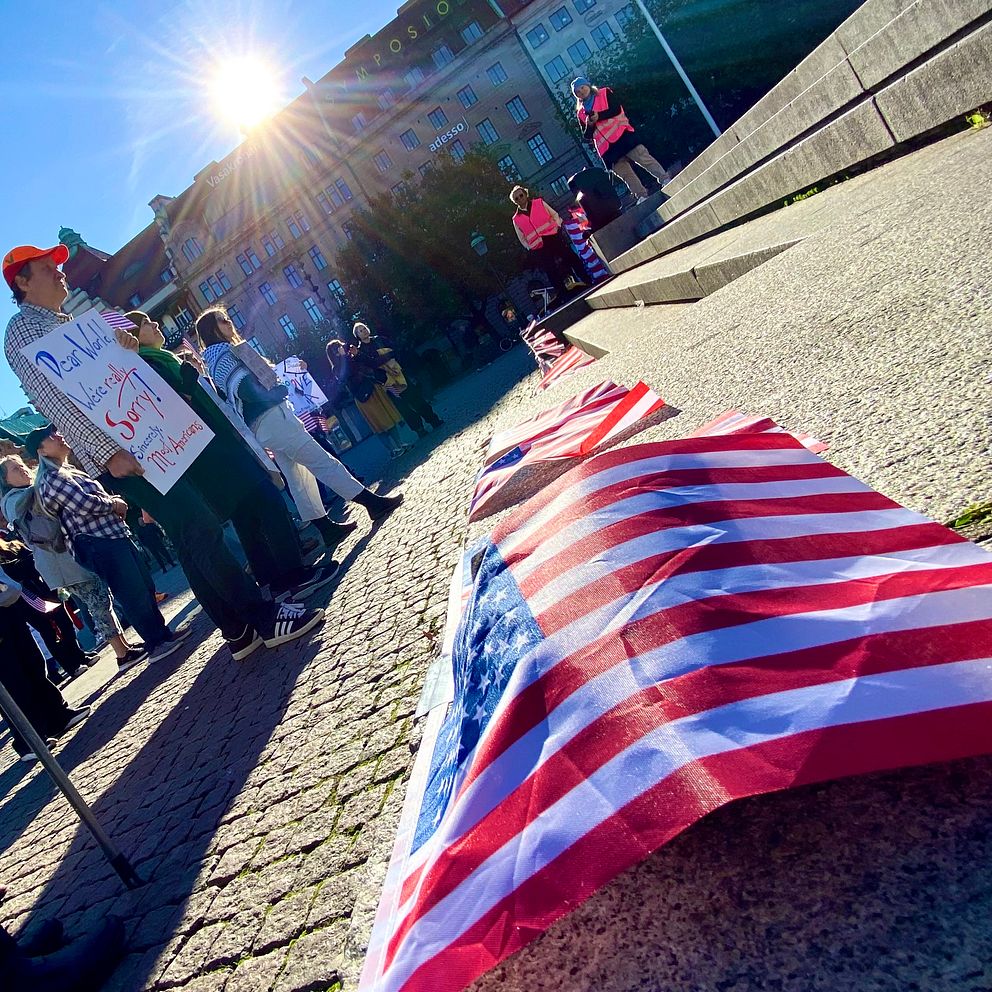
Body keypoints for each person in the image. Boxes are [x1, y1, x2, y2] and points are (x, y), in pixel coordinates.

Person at [3, 245, 323, 661]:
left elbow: (115, 375)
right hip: (123, 451)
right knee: (198, 524)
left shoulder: (70, 323)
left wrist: (124, 347)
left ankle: (237, 630)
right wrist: (107, 451)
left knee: (191, 533)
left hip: (147, 438)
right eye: (48, 269)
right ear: (23, 282)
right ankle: (261, 617)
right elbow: (54, 398)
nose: (60, 273)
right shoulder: (24, 329)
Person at [128, 310, 342, 594]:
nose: (155, 324)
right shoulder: (149, 363)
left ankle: (275, 582)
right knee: (266, 500)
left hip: (214, 446)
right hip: (210, 449)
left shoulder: (160, 359)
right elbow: (173, 408)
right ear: (133, 335)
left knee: (246, 516)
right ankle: (295, 575)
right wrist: (190, 376)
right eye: (146, 323)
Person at [197, 308, 406, 519]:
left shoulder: (218, 357)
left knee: (297, 477)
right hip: (271, 418)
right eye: (222, 320)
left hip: (267, 422)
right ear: (212, 330)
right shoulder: (223, 355)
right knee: (321, 460)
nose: (229, 322)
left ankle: (324, 527)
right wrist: (275, 394)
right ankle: (372, 503)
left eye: (227, 318)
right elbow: (245, 389)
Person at [29, 426, 189, 665]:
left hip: (111, 535)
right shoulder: (51, 478)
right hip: (97, 541)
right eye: (51, 437)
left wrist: (113, 503)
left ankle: (162, 634)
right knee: (131, 591)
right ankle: (155, 643)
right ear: (41, 451)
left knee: (143, 586)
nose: (59, 436)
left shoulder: (66, 471)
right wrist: (114, 503)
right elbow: (84, 504)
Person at [1, 454, 145, 674]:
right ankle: (121, 654)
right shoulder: (12, 500)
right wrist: (45, 481)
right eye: (14, 469)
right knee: (96, 602)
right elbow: (30, 507)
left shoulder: (35, 488)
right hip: (61, 562)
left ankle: (124, 647)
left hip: (70, 556)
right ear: (5, 480)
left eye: (21, 465)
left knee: (102, 599)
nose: (22, 469)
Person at [0, 563, 90, 762]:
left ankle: (57, 717)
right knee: (12, 681)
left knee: (34, 665)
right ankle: (27, 740)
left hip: (7, 608)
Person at [571, 76, 671, 205]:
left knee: (643, 158)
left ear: (588, 85)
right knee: (625, 174)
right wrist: (589, 124)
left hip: (622, 135)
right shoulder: (581, 112)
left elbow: (616, 109)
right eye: (577, 92)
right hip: (607, 148)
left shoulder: (604, 93)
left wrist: (599, 116)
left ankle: (664, 178)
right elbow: (587, 135)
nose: (581, 92)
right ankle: (641, 195)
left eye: (582, 87)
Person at [352, 322, 443, 438]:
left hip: (398, 374)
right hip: (385, 382)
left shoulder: (379, 340)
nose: (364, 331)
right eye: (360, 330)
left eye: (364, 328)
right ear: (357, 335)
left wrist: (381, 360)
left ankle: (434, 420)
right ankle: (419, 429)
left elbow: (395, 351)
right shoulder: (360, 352)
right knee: (403, 407)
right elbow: (370, 366)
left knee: (416, 398)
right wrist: (385, 358)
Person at [325, 339, 408, 457]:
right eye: (340, 346)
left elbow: (369, 363)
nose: (344, 346)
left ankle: (400, 444)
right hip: (363, 396)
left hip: (373, 387)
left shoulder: (352, 356)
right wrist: (345, 358)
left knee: (388, 416)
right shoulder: (337, 368)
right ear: (335, 352)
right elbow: (347, 375)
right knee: (378, 424)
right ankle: (392, 450)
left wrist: (357, 354)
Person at [509, 185, 586, 301]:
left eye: (521, 195)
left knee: (570, 257)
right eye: (517, 198)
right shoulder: (516, 219)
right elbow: (521, 237)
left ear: (526, 194)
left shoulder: (539, 203)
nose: (520, 198)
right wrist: (529, 247)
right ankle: (564, 294)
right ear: (515, 202)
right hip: (539, 247)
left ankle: (586, 278)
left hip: (552, 237)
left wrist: (557, 227)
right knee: (551, 270)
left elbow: (554, 214)